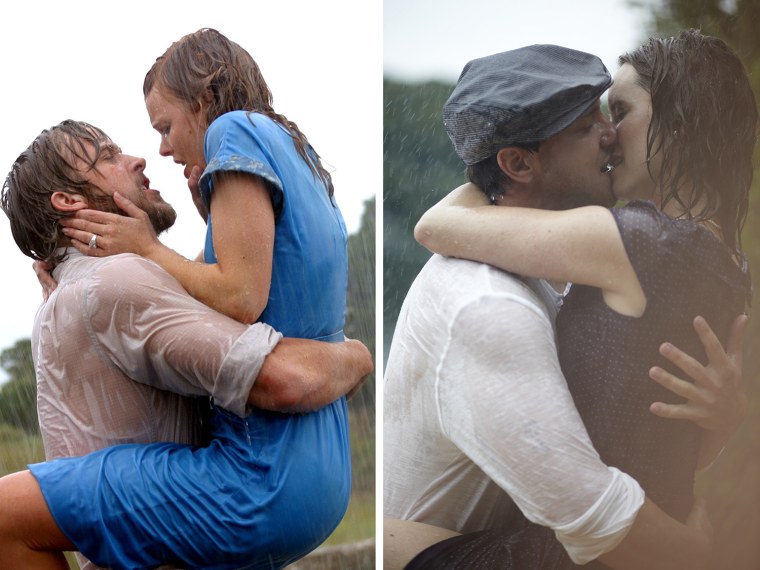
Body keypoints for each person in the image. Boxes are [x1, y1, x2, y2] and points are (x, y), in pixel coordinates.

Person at [1, 28, 363, 570]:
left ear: (203, 101)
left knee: (5, 513)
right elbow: (245, 288)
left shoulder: (112, 281)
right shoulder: (102, 286)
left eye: (165, 127)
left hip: (261, 480)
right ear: (69, 201)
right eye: (108, 156)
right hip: (314, 466)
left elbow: (242, 301)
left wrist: (356, 356)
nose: (153, 153)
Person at [384, 40, 749, 570]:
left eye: (617, 113)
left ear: (681, 125)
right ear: (518, 161)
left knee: (393, 540)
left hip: (595, 548)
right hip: (610, 542)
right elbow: (642, 429)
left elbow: (434, 225)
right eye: (591, 124)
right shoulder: (719, 262)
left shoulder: (644, 245)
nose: (608, 134)